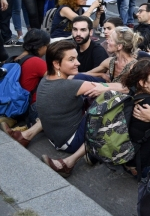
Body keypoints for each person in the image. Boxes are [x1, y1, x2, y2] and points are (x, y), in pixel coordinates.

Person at [1, 41, 120, 176]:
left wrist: (98, 77)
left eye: (76, 58)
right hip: (71, 142)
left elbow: (76, 79)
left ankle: (26, 135)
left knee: (79, 78)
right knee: (108, 105)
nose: (78, 63)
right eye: (71, 59)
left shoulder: (47, 79)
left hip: (54, 136)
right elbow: (113, 89)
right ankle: (69, 162)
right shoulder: (70, 87)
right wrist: (124, 86)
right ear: (56, 64)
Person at [0, 29, 50, 129]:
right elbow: (57, 78)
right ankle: (26, 128)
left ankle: (12, 120)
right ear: (40, 46)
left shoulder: (16, 58)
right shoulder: (36, 62)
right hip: (31, 108)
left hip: (15, 105)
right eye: (47, 46)